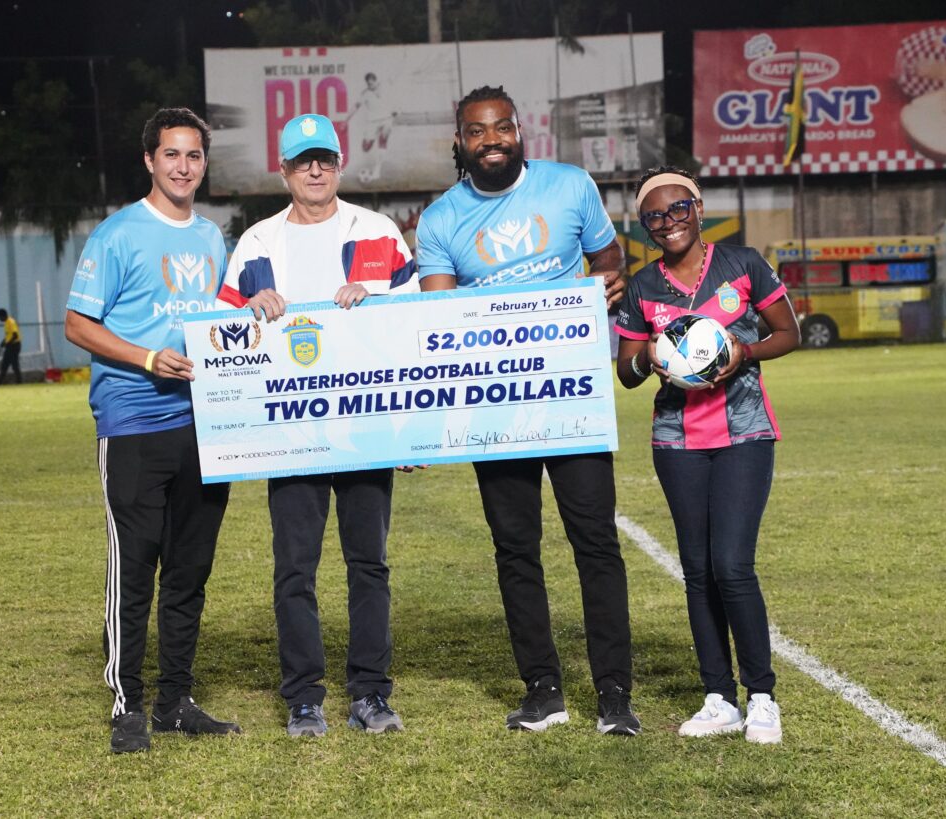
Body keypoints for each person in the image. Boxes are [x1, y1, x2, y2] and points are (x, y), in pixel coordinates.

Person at [414, 85, 638, 736]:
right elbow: (441, 313)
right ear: (460, 142)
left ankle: (614, 693)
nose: (491, 140)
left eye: (502, 127)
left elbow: (608, 259)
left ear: (520, 131)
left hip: (571, 395)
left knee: (595, 542)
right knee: (515, 549)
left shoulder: (569, 186)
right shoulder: (440, 219)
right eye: (477, 131)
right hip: (497, 405)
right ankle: (543, 689)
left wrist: (611, 280)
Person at [216, 113, 417, 737]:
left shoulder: (378, 231)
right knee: (294, 570)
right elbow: (223, 338)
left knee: (369, 564)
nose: (315, 170)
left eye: (324, 158)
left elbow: (415, 322)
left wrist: (375, 299)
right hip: (290, 433)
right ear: (283, 170)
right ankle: (304, 697)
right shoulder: (257, 243)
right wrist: (249, 311)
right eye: (303, 161)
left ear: (339, 164)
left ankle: (370, 693)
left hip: (365, 426)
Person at [64, 108, 240, 754]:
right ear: (149, 160)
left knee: (190, 569)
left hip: (204, 423)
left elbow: (223, 319)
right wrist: (145, 357)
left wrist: (257, 308)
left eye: (193, 155)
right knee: (135, 566)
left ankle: (175, 701)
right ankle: (128, 704)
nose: (183, 166)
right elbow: (77, 324)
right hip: (134, 419)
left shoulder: (213, 238)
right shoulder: (117, 234)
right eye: (171, 154)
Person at [615, 166, 800, 744]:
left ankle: (762, 696)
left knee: (733, 566)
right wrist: (650, 356)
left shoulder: (742, 263)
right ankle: (719, 698)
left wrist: (744, 351)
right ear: (644, 226)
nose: (668, 222)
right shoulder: (643, 286)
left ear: (698, 208)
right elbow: (626, 372)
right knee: (697, 571)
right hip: (677, 441)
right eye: (654, 216)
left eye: (678, 209)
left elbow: (788, 333)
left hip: (744, 432)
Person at [347, 72, 395, 182]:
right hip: (372, 122)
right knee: (366, 148)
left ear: (376, 81)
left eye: (372, 83)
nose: (371, 86)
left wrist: (396, 110)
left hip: (386, 119)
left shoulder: (385, 86)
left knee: (383, 141)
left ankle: (377, 171)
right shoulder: (365, 94)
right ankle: (368, 144)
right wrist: (346, 119)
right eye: (369, 84)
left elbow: (396, 82)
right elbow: (356, 106)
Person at [0, 308, 22, 384]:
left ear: (2, 316)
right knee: (5, 364)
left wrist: (7, 343)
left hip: (14, 346)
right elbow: (9, 335)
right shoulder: (6, 323)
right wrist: (3, 341)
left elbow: (15, 335)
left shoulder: (11, 322)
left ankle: (19, 381)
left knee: (14, 364)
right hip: (10, 346)